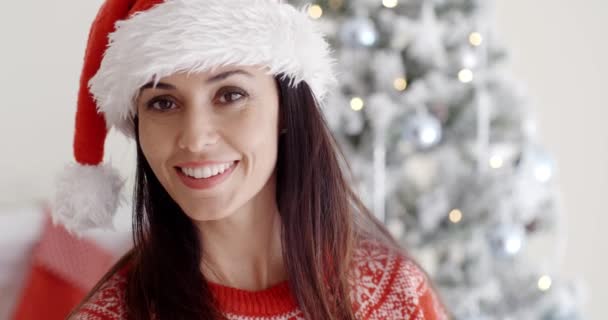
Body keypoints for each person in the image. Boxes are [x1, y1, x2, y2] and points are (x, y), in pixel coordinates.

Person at [53, 0, 449, 319]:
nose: (194, 138)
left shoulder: (396, 295)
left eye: (230, 94)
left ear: (285, 108)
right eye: (163, 102)